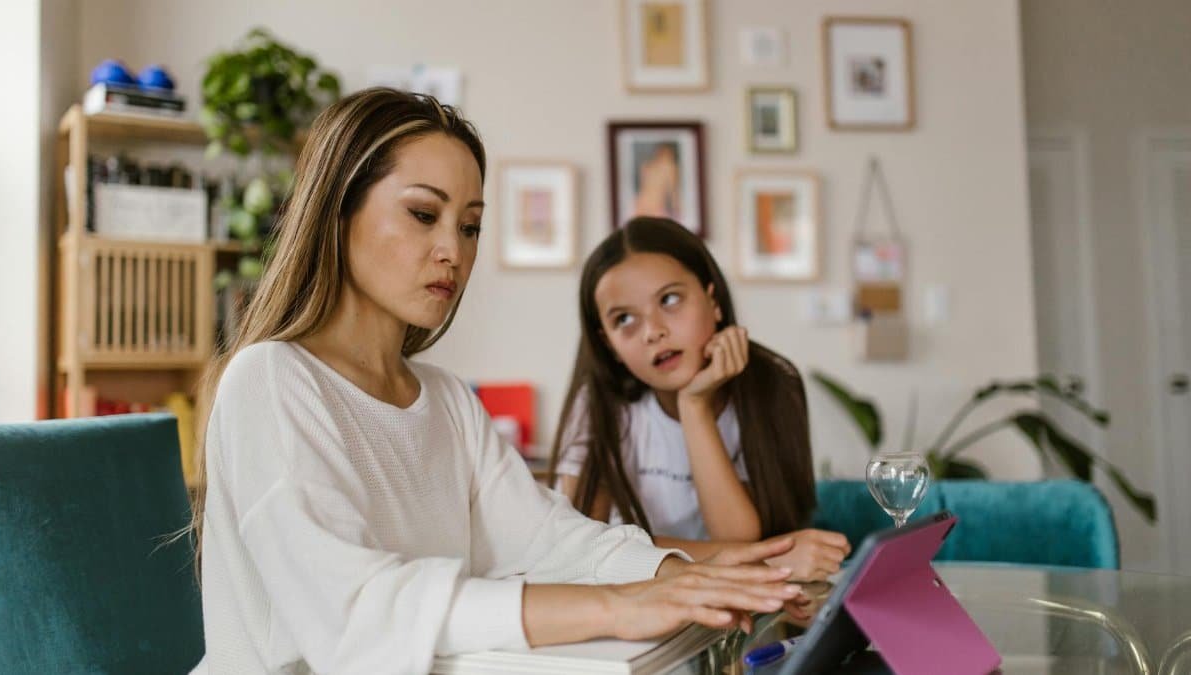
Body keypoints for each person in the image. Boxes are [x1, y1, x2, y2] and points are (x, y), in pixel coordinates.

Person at [189, 89, 805, 675]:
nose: (452, 251)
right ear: (338, 211)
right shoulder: (270, 379)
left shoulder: (447, 400)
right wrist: (620, 604)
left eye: (470, 226)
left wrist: (685, 576)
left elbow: (554, 541)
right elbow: (356, 608)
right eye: (424, 214)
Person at [549, 216, 851, 581]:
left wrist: (695, 407)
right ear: (608, 344)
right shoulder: (599, 403)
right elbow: (584, 546)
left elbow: (737, 538)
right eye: (625, 319)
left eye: (670, 299)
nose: (653, 331)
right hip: (646, 599)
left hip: (749, 605)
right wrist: (765, 562)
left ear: (714, 301)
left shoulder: (773, 384)